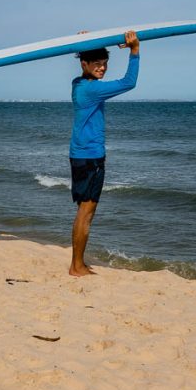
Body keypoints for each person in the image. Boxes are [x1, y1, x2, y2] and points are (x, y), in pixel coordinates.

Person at [68, 30, 140, 276]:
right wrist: (134, 51)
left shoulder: (78, 84)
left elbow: (85, 67)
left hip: (80, 154)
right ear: (84, 64)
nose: (102, 68)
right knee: (86, 213)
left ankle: (78, 262)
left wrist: (88, 42)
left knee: (83, 211)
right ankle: (76, 266)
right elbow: (129, 82)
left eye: (105, 64)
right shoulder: (92, 90)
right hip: (90, 157)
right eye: (97, 64)